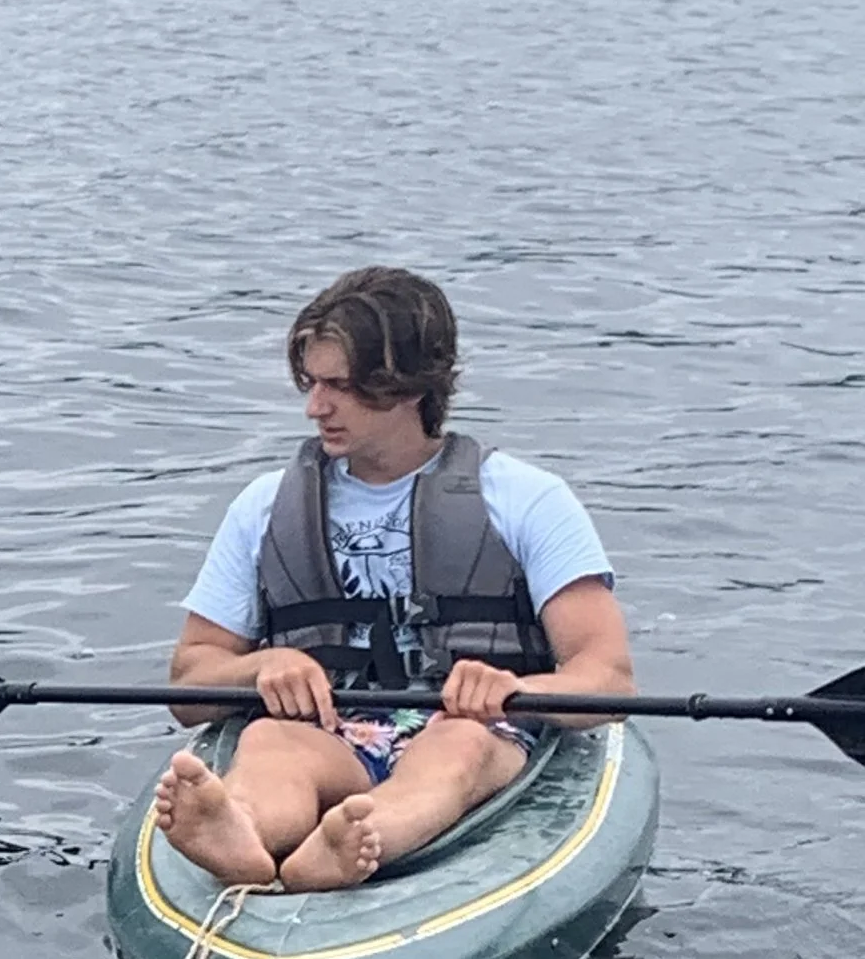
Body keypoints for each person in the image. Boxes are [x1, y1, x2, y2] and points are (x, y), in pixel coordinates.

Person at [154, 268, 633, 894]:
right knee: (272, 740)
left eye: (339, 387)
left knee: (456, 748)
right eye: (312, 383)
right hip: (331, 731)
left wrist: (514, 686)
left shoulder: (526, 498)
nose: (314, 407)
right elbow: (189, 685)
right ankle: (240, 829)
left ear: (406, 386)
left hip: (476, 732)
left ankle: (356, 838)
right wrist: (259, 666)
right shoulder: (264, 506)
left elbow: (609, 678)